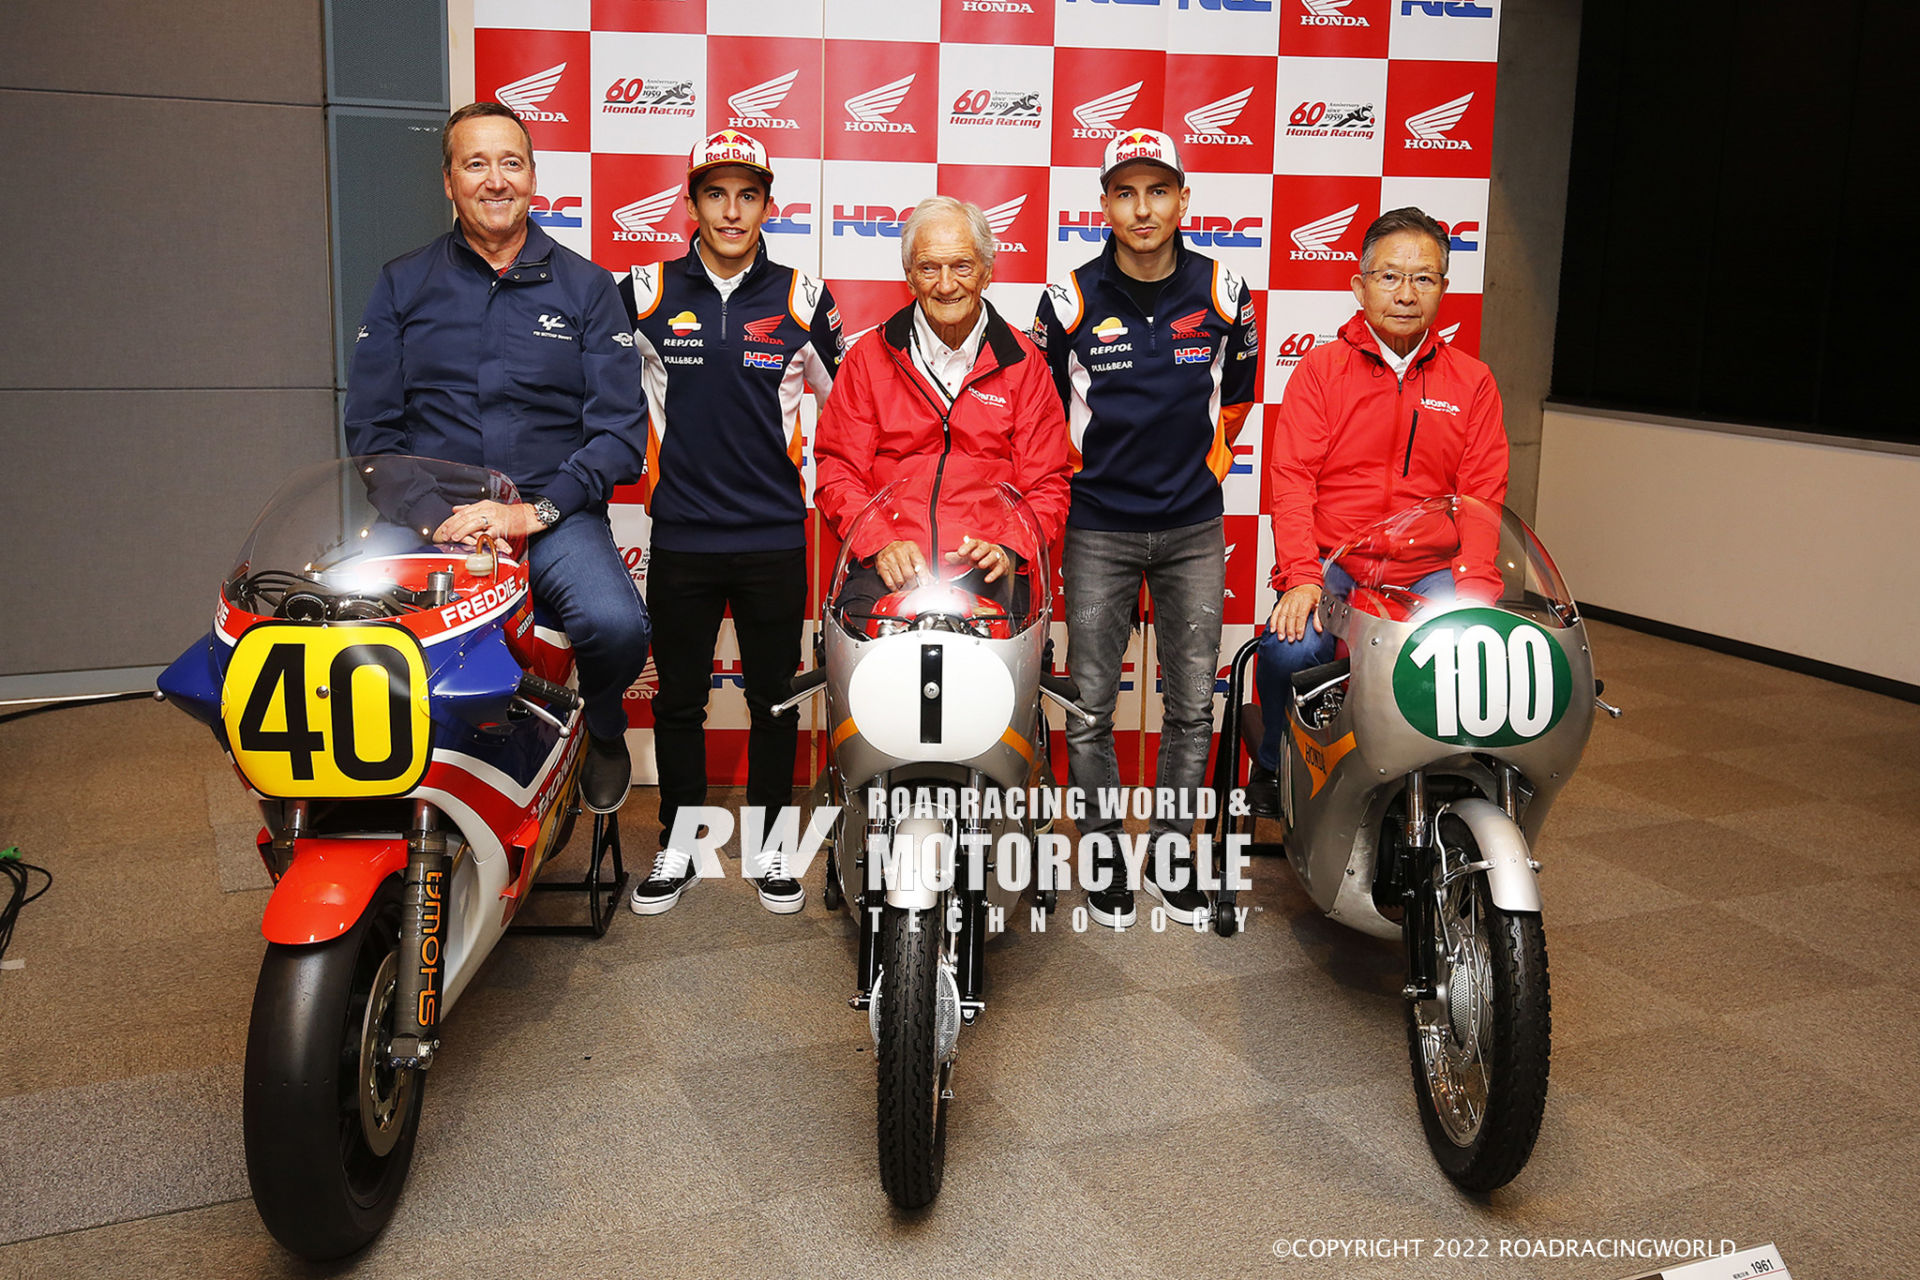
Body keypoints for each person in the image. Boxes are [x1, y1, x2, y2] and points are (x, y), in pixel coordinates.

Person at [345, 102, 650, 815]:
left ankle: (601, 727)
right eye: (475, 163)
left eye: (510, 162)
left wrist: (528, 514)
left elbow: (618, 434)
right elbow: (372, 430)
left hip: (550, 516)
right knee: (355, 631)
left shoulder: (588, 288)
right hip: (430, 522)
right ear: (448, 181)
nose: (495, 180)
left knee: (617, 627)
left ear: (534, 178)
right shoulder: (401, 283)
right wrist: (432, 516)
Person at [1031, 129, 1258, 929]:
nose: (1143, 207)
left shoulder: (1227, 290)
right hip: (1096, 527)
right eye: (1125, 192)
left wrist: (1203, 475)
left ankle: (1170, 853)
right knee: (1091, 706)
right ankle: (1101, 856)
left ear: (1182, 200)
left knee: (1192, 704)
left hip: (1195, 527)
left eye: (1158, 190)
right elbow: (1041, 410)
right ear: (1105, 205)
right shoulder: (1066, 301)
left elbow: (1236, 399)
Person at [618, 129, 844, 917]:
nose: (731, 210)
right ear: (692, 202)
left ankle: (776, 848)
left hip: (776, 538)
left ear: (767, 205)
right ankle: (679, 842)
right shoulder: (643, 290)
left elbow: (848, 408)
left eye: (748, 195)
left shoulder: (802, 298)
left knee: (774, 699)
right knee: (678, 700)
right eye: (716, 193)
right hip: (680, 534)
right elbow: (600, 400)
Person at [1251, 206, 1510, 808]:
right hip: (1337, 562)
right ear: (1359, 286)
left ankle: (1446, 782)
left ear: (1444, 290)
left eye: (1424, 278)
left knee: (1470, 649)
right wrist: (1301, 577)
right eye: (1390, 276)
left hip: (1429, 568)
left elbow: (1481, 493)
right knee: (1293, 649)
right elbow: (1292, 480)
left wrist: (1475, 584)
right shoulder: (1320, 370)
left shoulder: (1472, 381)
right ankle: (1274, 767)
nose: (1406, 293)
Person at [813, 196, 1071, 602]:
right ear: (909, 276)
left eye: (962, 267)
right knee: (863, 651)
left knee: (995, 656)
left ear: (987, 272)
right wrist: (880, 543)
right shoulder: (868, 358)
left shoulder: (1024, 364)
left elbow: (1048, 481)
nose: (946, 285)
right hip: (888, 564)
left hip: (990, 568)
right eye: (929, 268)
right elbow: (839, 470)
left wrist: (1008, 547)